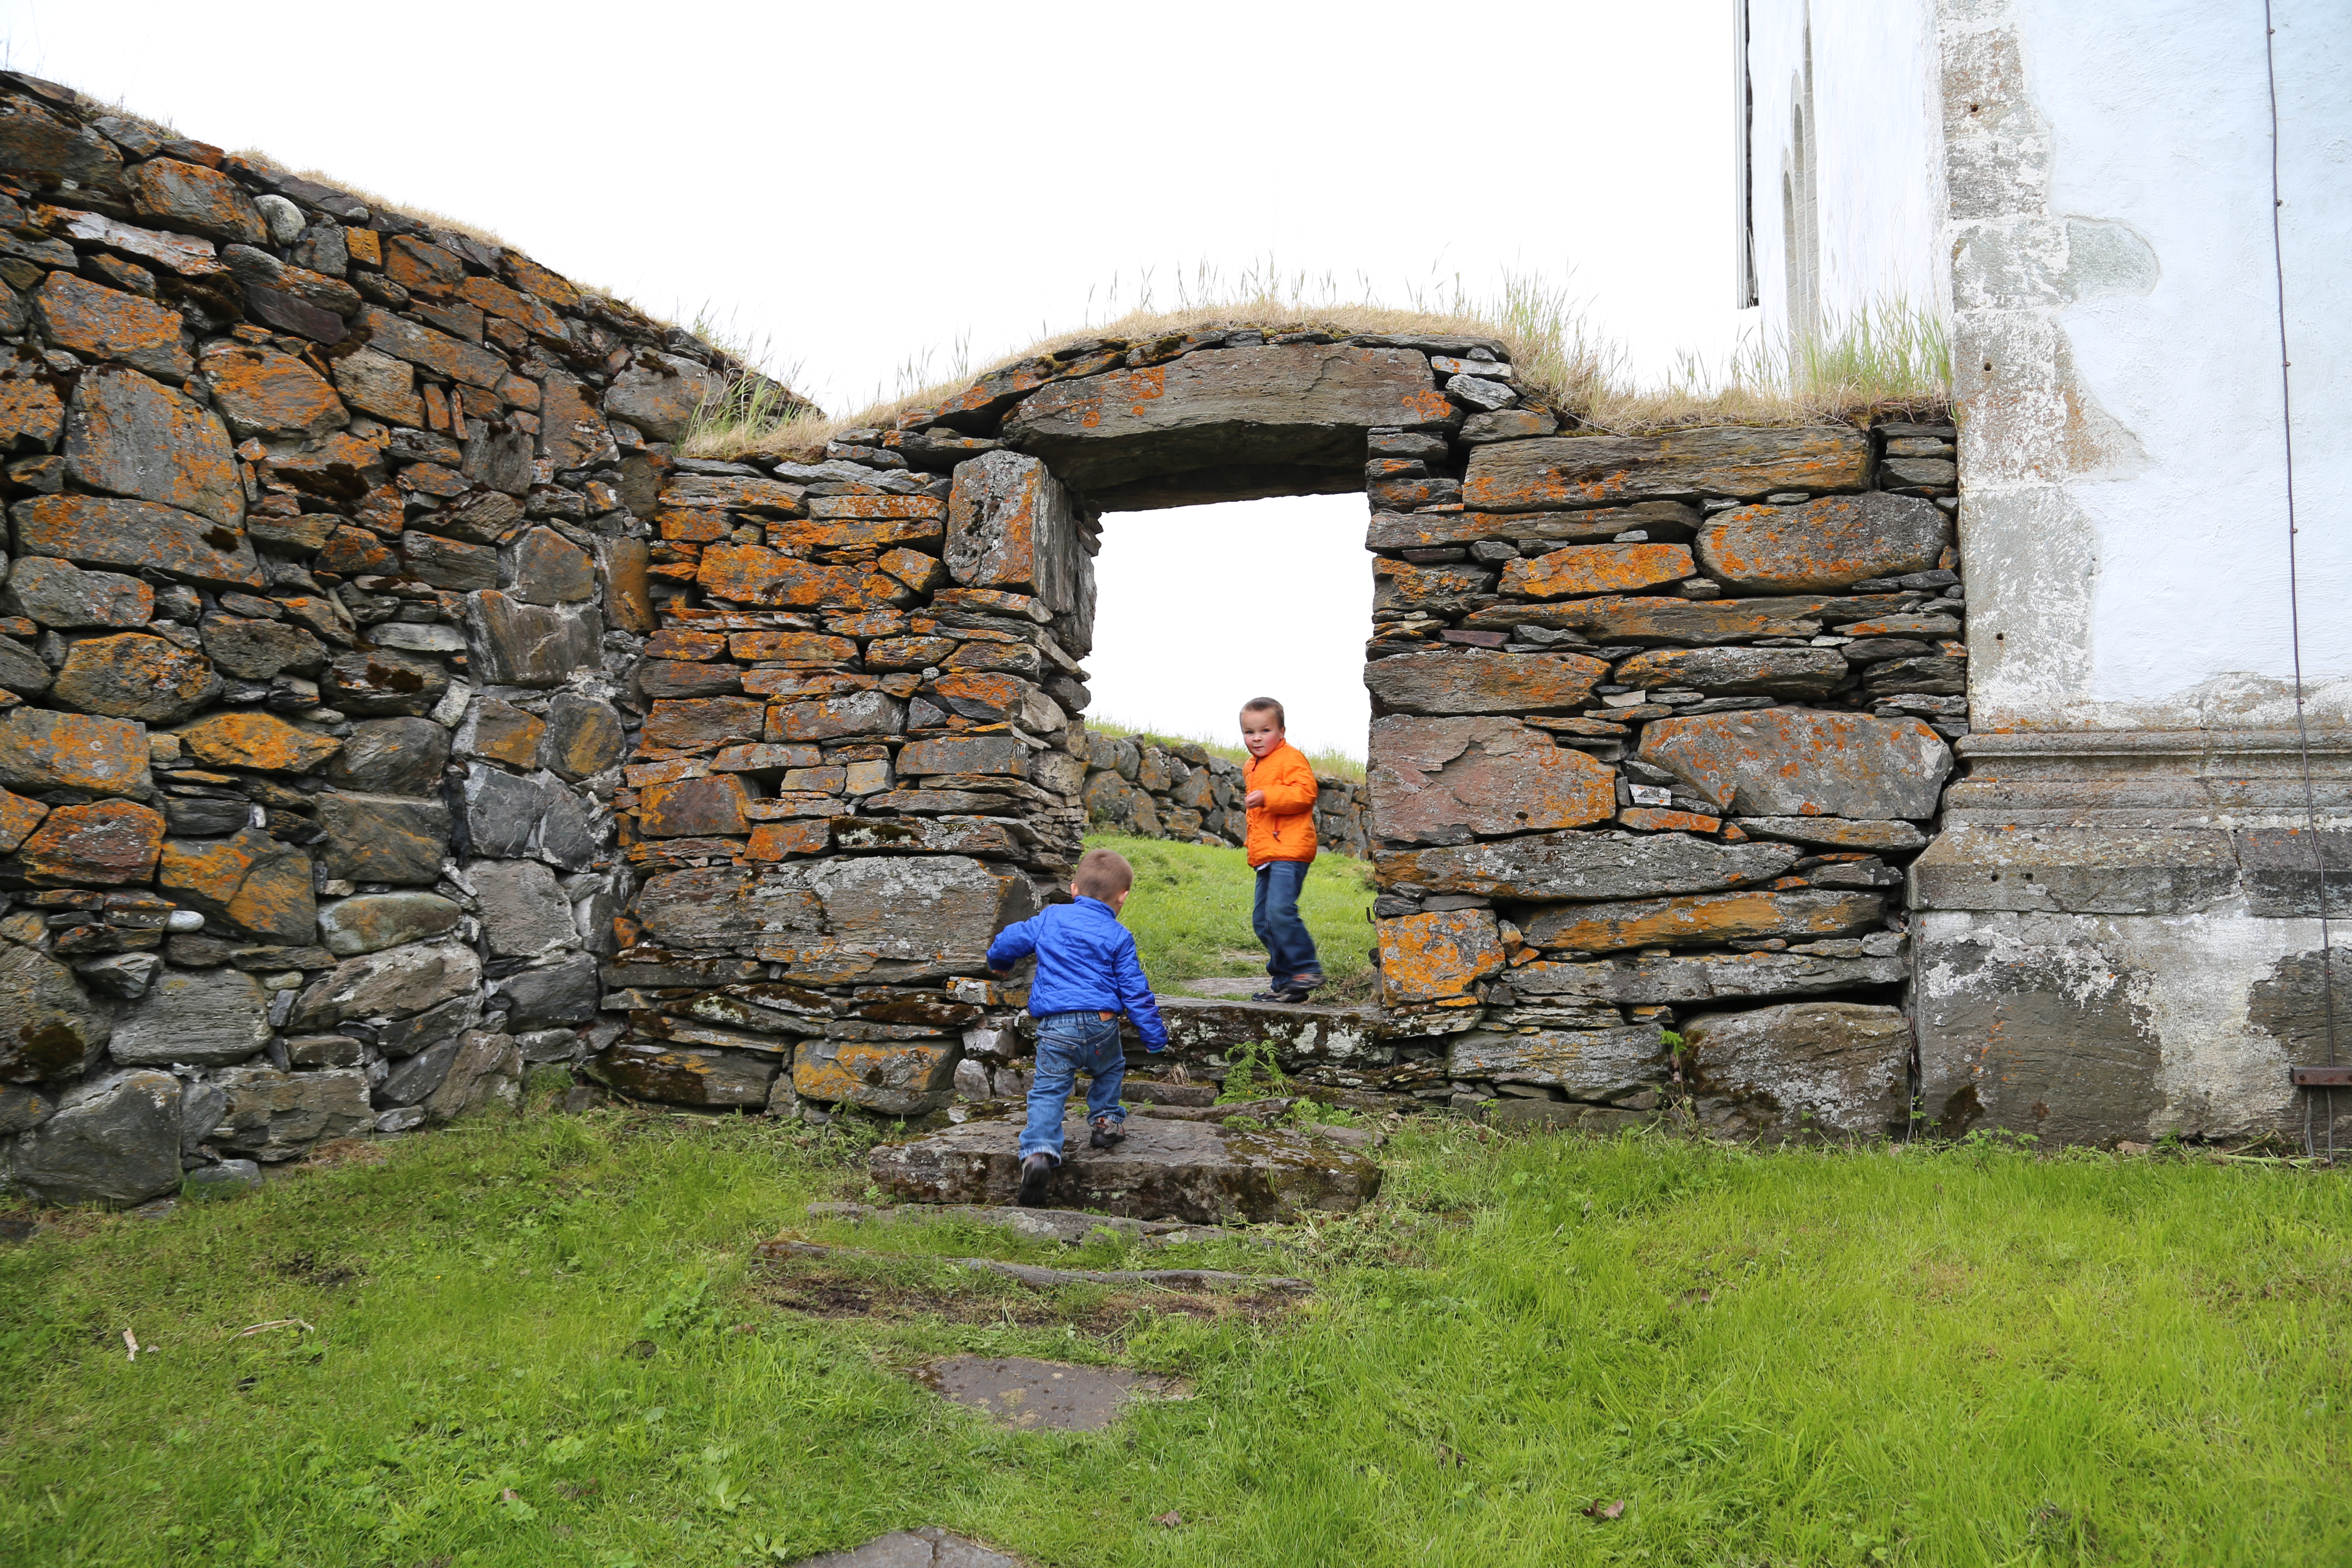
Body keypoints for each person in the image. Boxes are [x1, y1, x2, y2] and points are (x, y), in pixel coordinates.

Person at [986, 845, 1170, 1207]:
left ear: (1074, 889)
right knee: (1111, 1068)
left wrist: (1001, 961)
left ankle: (1039, 1154)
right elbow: (1136, 991)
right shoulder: (1118, 936)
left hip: (1056, 1026)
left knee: (1049, 1090)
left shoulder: (1052, 917)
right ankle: (1105, 1123)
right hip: (1101, 1025)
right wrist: (1153, 1035)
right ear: (1124, 897)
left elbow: (1009, 939)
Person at [1238, 696, 1323, 1003]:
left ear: (1282, 731)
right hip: (1268, 854)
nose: (1257, 738)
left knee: (1279, 912)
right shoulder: (1252, 765)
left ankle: (1305, 969)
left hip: (1290, 849)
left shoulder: (1291, 758)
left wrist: (1268, 796)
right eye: (1249, 732)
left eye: (1265, 730)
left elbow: (1305, 794)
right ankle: (1289, 985)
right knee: (1262, 921)